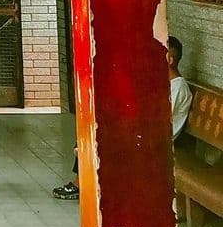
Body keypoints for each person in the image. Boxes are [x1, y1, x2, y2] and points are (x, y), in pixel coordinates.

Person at [53, 36, 191, 200]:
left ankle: (86, 176)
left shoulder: (178, 88)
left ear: (169, 60)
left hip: (156, 140)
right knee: (96, 128)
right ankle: (83, 176)